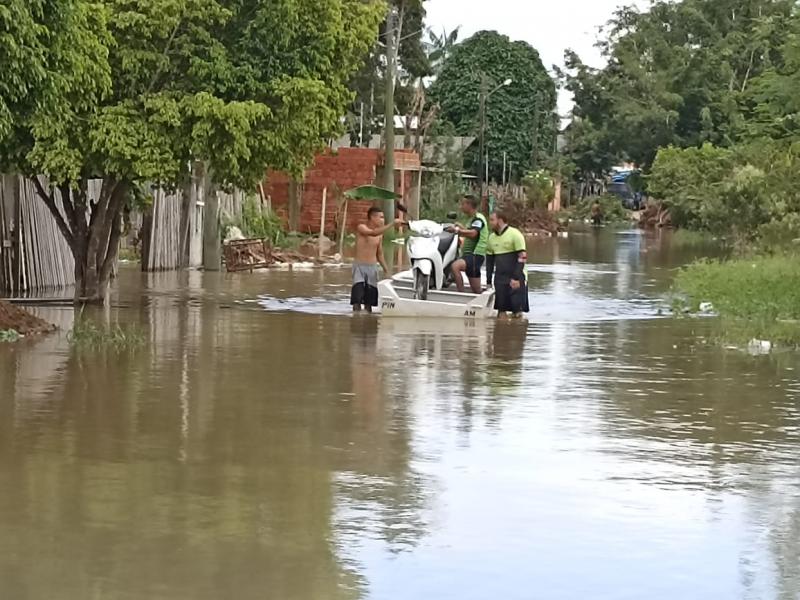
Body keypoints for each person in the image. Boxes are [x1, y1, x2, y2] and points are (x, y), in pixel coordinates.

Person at [351, 206, 402, 313]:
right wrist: (392, 224)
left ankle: (367, 321)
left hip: (372, 268)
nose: (383, 220)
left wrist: (386, 270)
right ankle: (355, 321)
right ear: (372, 217)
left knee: (370, 300)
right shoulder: (362, 227)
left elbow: (379, 254)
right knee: (357, 298)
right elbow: (372, 233)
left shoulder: (380, 235)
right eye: (381, 217)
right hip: (359, 267)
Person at [486, 211, 530, 318]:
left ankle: (516, 332)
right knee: (501, 311)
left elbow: (522, 257)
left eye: (492, 220)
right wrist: (488, 281)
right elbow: (489, 262)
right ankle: (501, 332)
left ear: (500, 220)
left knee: (517, 312)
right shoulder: (491, 238)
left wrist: (516, 278)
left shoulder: (515, 234)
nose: (490, 223)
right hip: (500, 278)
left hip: (516, 277)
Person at [449, 195, 489, 294]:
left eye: (463, 204)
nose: (461, 207)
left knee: (455, 267)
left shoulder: (478, 219)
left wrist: (458, 231)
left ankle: (461, 294)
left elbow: (473, 233)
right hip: (469, 256)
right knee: (476, 290)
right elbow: (470, 230)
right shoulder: (472, 220)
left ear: (469, 205)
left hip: (474, 255)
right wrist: (461, 227)